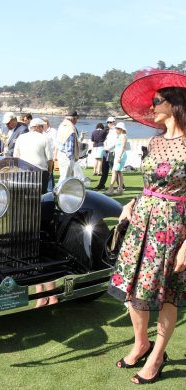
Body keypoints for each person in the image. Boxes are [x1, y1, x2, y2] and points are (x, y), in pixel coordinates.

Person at [108, 69, 186, 385]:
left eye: (157, 101)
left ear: (175, 103)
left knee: (168, 294)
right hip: (142, 222)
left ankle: (156, 357)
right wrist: (132, 203)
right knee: (130, 288)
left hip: (174, 227)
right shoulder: (154, 143)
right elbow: (149, 184)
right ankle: (142, 342)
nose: (152, 106)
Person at [13, 118, 53, 192]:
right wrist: (50, 170)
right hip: (40, 171)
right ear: (37, 127)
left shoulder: (21, 137)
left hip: (24, 170)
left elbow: (15, 157)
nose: (43, 129)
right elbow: (50, 158)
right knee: (41, 195)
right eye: (42, 127)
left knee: (24, 193)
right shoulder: (45, 138)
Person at [56, 111, 79, 182]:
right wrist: (71, 159)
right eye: (77, 118)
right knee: (65, 179)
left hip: (61, 154)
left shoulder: (62, 125)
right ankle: (58, 192)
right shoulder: (70, 128)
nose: (77, 120)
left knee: (64, 177)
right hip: (67, 157)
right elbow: (70, 146)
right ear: (74, 118)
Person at [105, 122, 128, 195]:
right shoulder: (119, 136)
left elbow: (123, 147)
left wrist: (119, 156)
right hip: (118, 155)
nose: (116, 130)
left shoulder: (123, 136)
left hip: (120, 156)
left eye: (117, 129)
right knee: (119, 172)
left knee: (115, 171)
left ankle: (111, 189)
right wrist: (107, 149)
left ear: (121, 129)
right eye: (116, 128)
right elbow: (114, 145)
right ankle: (120, 189)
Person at [93, 116, 116, 190]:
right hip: (106, 152)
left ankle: (121, 185)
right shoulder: (108, 131)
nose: (109, 123)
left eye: (110, 122)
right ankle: (101, 184)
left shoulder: (116, 130)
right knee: (105, 170)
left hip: (112, 152)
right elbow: (105, 140)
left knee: (115, 170)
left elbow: (115, 142)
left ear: (113, 122)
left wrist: (107, 148)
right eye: (108, 122)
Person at [41, 117, 58, 189]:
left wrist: (55, 155)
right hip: (43, 156)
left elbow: (56, 144)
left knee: (50, 173)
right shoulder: (41, 132)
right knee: (48, 174)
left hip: (50, 155)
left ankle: (50, 190)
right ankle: (52, 189)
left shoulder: (53, 131)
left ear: (46, 123)